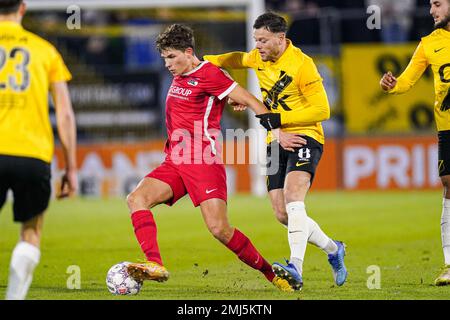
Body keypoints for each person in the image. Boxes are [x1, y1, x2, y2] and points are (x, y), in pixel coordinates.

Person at [125, 24, 293, 292]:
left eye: (172, 57)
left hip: (202, 161)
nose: (167, 64)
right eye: (164, 58)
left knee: (219, 230)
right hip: (175, 161)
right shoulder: (183, 73)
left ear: (188, 52)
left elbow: (249, 99)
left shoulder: (209, 74)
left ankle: (272, 274)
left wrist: (277, 131)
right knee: (136, 199)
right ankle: (154, 263)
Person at [204, 12, 347, 290]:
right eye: (255, 39)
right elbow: (235, 58)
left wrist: (278, 118)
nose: (257, 46)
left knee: (294, 196)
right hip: (275, 140)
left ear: (280, 39)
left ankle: (295, 266)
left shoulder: (302, 65)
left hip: (305, 136)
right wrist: (205, 63)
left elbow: (323, 110)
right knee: (283, 213)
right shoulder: (258, 57)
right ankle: (334, 249)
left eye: (263, 40)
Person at [0, 0, 77, 300]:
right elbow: (66, 114)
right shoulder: (45, 50)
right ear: (22, 8)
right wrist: (70, 167)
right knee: (31, 231)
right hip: (32, 154)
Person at [380, 0, 450, 286]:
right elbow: (407, 80)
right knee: (448, 181)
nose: (431, 11)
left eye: (437, 4)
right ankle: (449, 263)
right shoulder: (429, 43)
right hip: (447, 127)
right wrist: (392, 84)